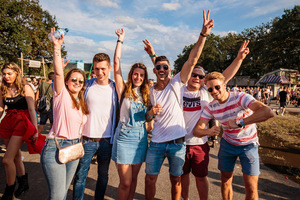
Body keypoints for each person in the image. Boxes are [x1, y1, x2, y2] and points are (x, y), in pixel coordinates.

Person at [142, 9, 214, 200]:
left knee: (177, 180)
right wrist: (150, 112)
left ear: (171, 70)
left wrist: (203, 34)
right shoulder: (150, 90)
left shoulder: (176, 83)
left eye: (166, 67)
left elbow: (193, 59)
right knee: (150, 179)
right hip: (156, 142)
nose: (162, 69)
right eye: (158, 67)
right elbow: (148, 116)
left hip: (177, 143)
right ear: (154, 70)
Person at [181, 40, 250, 200]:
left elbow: (224, 76)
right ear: (189, 74)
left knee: (200, 177)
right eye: (194, 75)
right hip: (180, 142)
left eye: (200, 76)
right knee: (182, 176)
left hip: (200, 143)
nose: (197, 78)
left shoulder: (207, 91)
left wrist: (239, 58)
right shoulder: (179, 89)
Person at [193, 72, 274, 200]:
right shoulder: (211, 107)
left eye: (217, 87)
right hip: (228, 144)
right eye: (210, 89)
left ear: (225, 85)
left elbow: (267, 112)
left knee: (251, 187)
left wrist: (239, 123)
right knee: (225, 180)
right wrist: (208, 131)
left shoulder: (240, 97)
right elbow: (197, 131)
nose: (214, 91)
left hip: (249, 145)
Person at [40, 27, 89, 200]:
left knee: (61, 194)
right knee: (58, 196)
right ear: (67, 82)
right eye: (73, 79)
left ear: (83, 84)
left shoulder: (82, 102)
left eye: (80, 81)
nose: (77, 82)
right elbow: (58, 72)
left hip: (75, 147)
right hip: (56, 146)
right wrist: (57, 47)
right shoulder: (61, 94)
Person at [73, 53, 119, 199]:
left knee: (103, 175)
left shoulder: (115, 88)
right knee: (80, 175)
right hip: (86, 139)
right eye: (97, 68)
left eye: (103, 69)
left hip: (106, 140)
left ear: (109, 67)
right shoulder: (86, 85)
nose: (100, 72)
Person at [111, 28, 150, 200]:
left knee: (134, 180)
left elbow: (149, 118)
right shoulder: (123, 89)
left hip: (140, 138)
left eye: (141, 75)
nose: (138, 77)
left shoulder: (148, 94)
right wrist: (120, 40)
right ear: (131, 74)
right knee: (125, 182)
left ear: (144, 77)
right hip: (124, 137)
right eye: (135, 74)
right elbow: (116, 64)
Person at [0, 62, 38, 200]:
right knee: (15, 156)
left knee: (6, 159)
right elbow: (0, 109)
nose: (6, 76)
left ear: (17, 73)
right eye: (4, 74)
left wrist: (35, 129)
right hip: (7, 122)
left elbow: (31, 109)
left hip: (21, 122)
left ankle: (9, 190)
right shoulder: (2, 88)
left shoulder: (26, 88)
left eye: (9, 73)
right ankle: (23, 183)